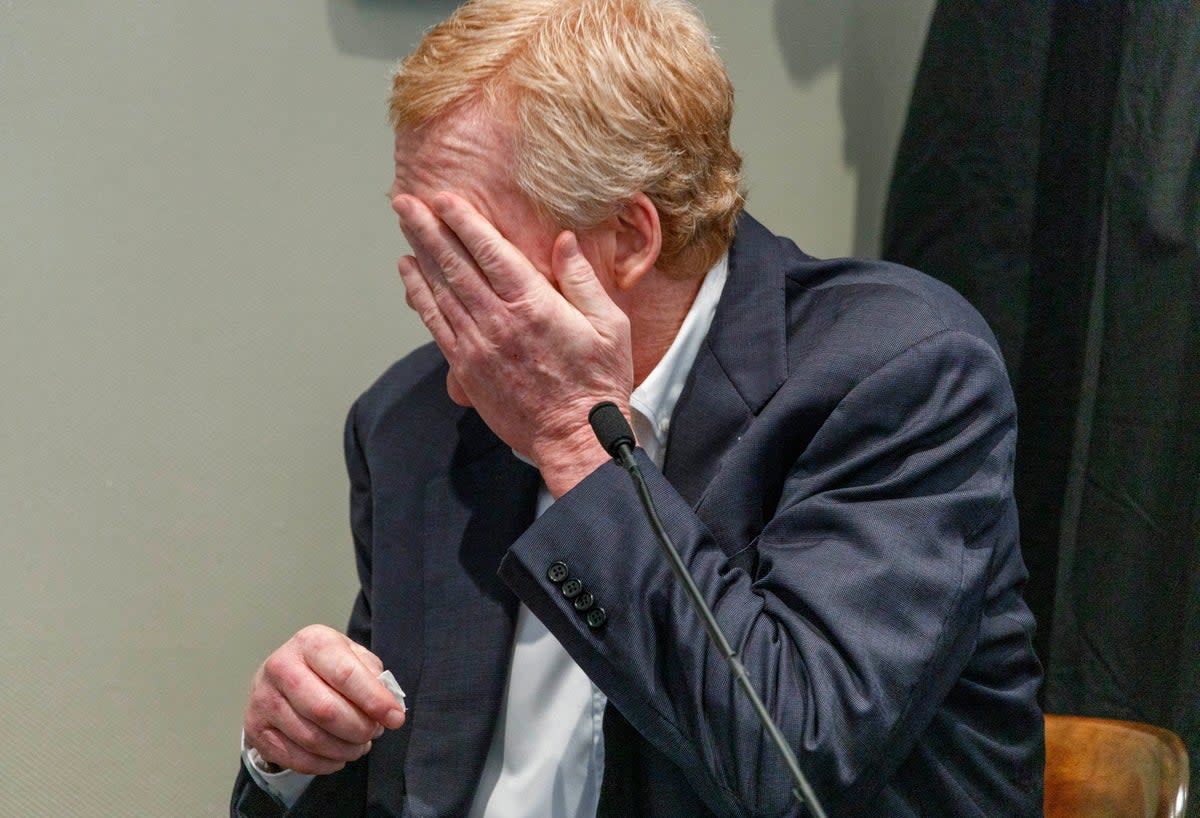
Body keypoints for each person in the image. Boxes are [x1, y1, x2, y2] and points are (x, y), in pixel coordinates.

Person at [231, 1, 1044, 815]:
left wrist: (571, 442)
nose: (428, 291)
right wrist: (292, 754)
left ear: (627, 237)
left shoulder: (899, 372)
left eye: (463, 246)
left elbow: (792, 764)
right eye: (418, 243)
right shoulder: (411, 424)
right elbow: (401, 781)